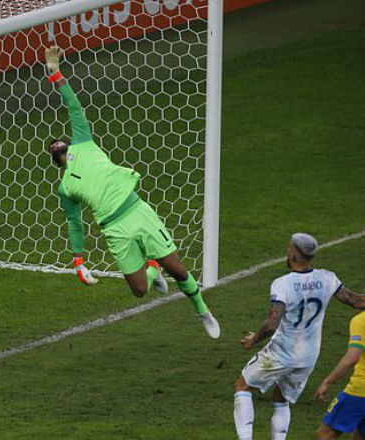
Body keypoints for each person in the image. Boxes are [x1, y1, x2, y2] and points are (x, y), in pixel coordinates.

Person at [43, 45, 220, 339]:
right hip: (113, 228)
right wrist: (78, 262)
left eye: (59, 142)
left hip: (136, 209)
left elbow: (73, 105)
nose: (56, 145)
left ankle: (203, 310)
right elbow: (75, 223)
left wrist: (55, 74)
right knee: (139, 290)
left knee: (176, 269)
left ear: (68, 142)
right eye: (53, 148)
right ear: (55, 159)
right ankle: (152, 270)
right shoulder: (66, 188)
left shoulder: (83, 141)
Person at [233, 233, 365, 440]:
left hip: (282, 351)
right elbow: (357, 302)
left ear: (293, 254)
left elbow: (271, 324)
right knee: (281, 398)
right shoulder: (328, 278)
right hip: (308, 356)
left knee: (243, 385)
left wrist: (253, 339)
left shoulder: (282, 284)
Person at [314, 311, 365, 439]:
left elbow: (352, 357)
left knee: (325, 434)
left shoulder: (361, 320)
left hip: (360, 391)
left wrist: (328, 381)